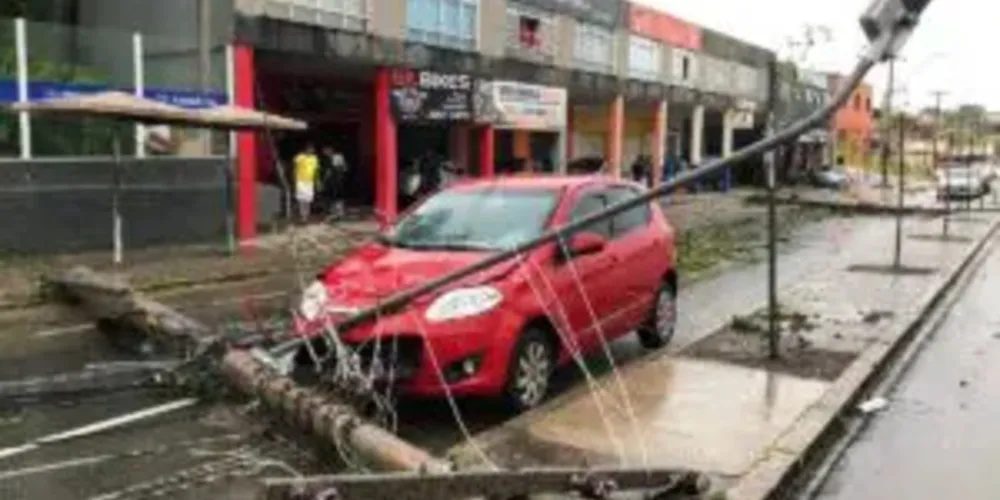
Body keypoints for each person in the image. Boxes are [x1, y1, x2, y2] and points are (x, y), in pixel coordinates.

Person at [293, 143, 319, 224]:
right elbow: (294, 168)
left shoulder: (314, 158)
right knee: (301, 199)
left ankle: (306, 216)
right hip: (300, 181)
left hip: (309, 181)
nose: (311, 151)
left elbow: (316, 170)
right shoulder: (299, 157)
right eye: (310, 149)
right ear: (306, 149)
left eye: (312, 150)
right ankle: (302, 216)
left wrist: (317, 180)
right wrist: (294, 179)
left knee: (308, 199)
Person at [321, 145, 349, 217]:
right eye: (324, 151)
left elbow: (342, 168)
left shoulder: (337, 157)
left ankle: (339, 211)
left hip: (337, 179)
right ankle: (335, 211)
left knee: (337, 195)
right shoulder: (328, 159)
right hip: (332, 180)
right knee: (332, 195)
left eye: (326, 150)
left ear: (331, 149)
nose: (325, 153)